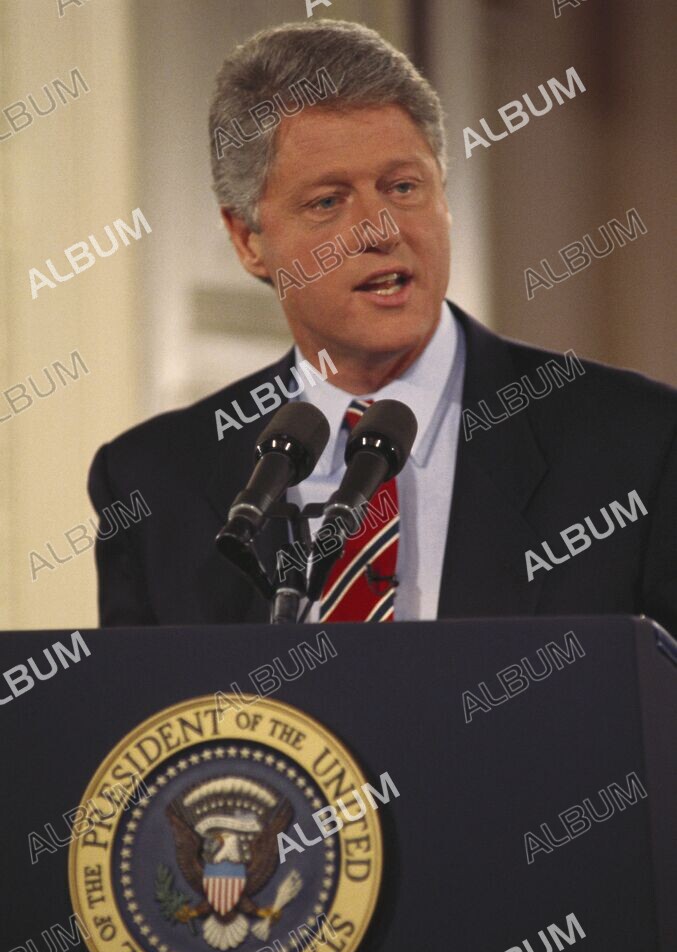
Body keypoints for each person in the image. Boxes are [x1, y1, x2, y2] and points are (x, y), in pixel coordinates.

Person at [88, 20, 677, 635]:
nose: (381, 229)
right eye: (328, 201)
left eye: (403, 187)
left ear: (443, 199)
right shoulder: (151, 485)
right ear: (247, 240)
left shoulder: (638, 448)